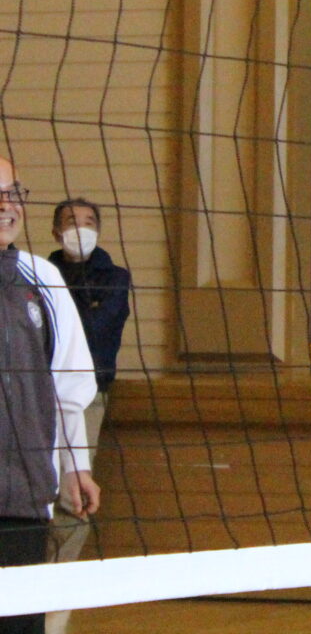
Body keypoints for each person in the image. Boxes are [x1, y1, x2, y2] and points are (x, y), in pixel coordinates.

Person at [0, 159, 100, 634]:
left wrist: (76, 466)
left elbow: (68, 385)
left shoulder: (42, 278)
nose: (6, 205)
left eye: (14, 191)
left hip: (21, 499)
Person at [43, 198, 131, 624]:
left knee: (72, 499)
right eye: (70, 222)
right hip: (31, 394)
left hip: (86, 397)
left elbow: (92, 335)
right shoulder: (36, 274)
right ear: (55, 232)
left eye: (88, 221)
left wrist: (62, 308)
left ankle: (54, 610)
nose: (80, 228)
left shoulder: (115, 278)